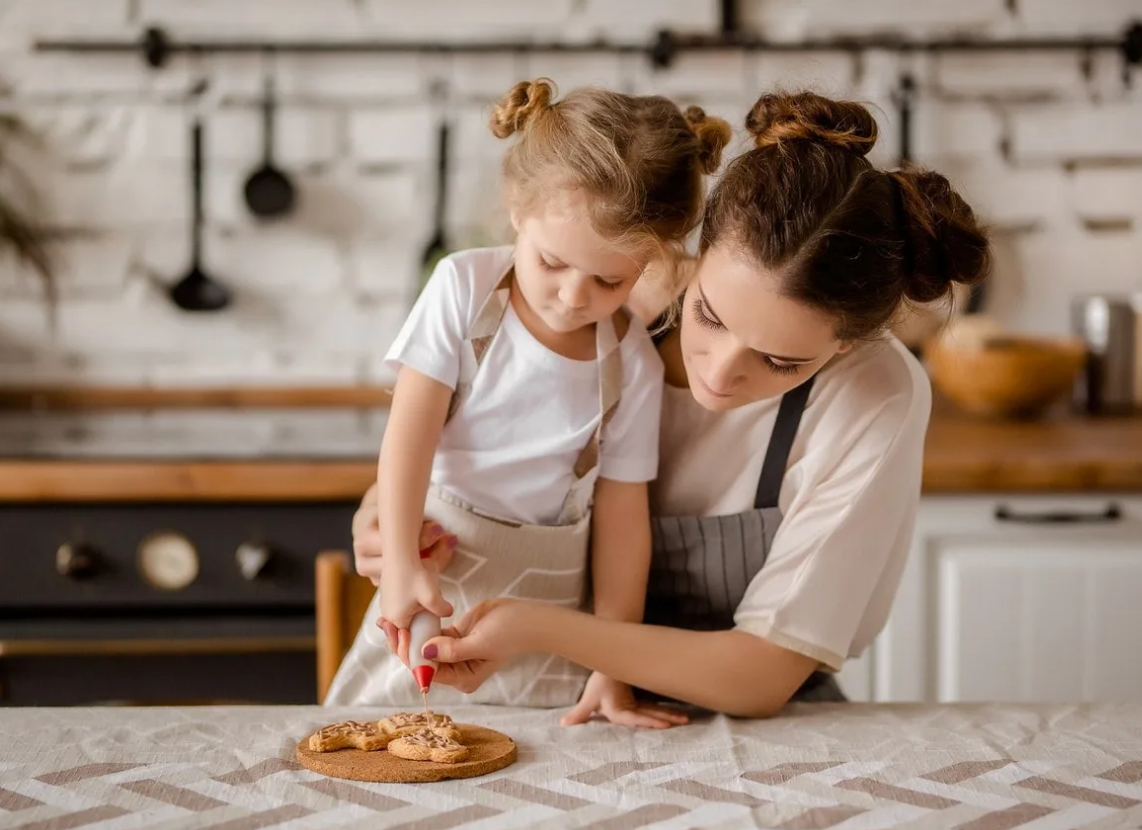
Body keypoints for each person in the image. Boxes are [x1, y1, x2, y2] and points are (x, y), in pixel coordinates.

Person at [353, 91, 990, 724]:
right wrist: (389, 512)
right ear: (693, 247)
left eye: (780, 362)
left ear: (848, 341)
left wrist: (544, 630)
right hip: (560, 699)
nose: (720, 369)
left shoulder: (875, 396)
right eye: (709, 315)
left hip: (757, 722)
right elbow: (469, 420)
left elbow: (761, 677)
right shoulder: (612, 288)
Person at [324, 79, 731, 716]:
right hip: (436, 580)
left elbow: (623, 525)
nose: (573, 297)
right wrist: (402, 561)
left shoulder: (632, 364)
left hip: (550, 621)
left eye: (609, 280)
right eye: (551, 263)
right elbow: (410, 433)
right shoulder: (462, 288)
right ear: (518, 208)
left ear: (650, 265)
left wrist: (612, 665)